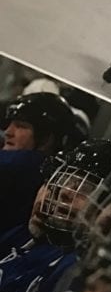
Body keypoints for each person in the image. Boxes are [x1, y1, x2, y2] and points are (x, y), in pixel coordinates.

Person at [0, 139, 111, 292]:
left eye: (86, 187)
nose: (62, 193)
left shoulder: (71, 267)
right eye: (62, 180)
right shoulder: (24, 236)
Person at [1, 92, 78, 232]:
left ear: (46, 138)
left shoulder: (23, 164)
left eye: (20, 126)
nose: (8, 132)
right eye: (9, 124)